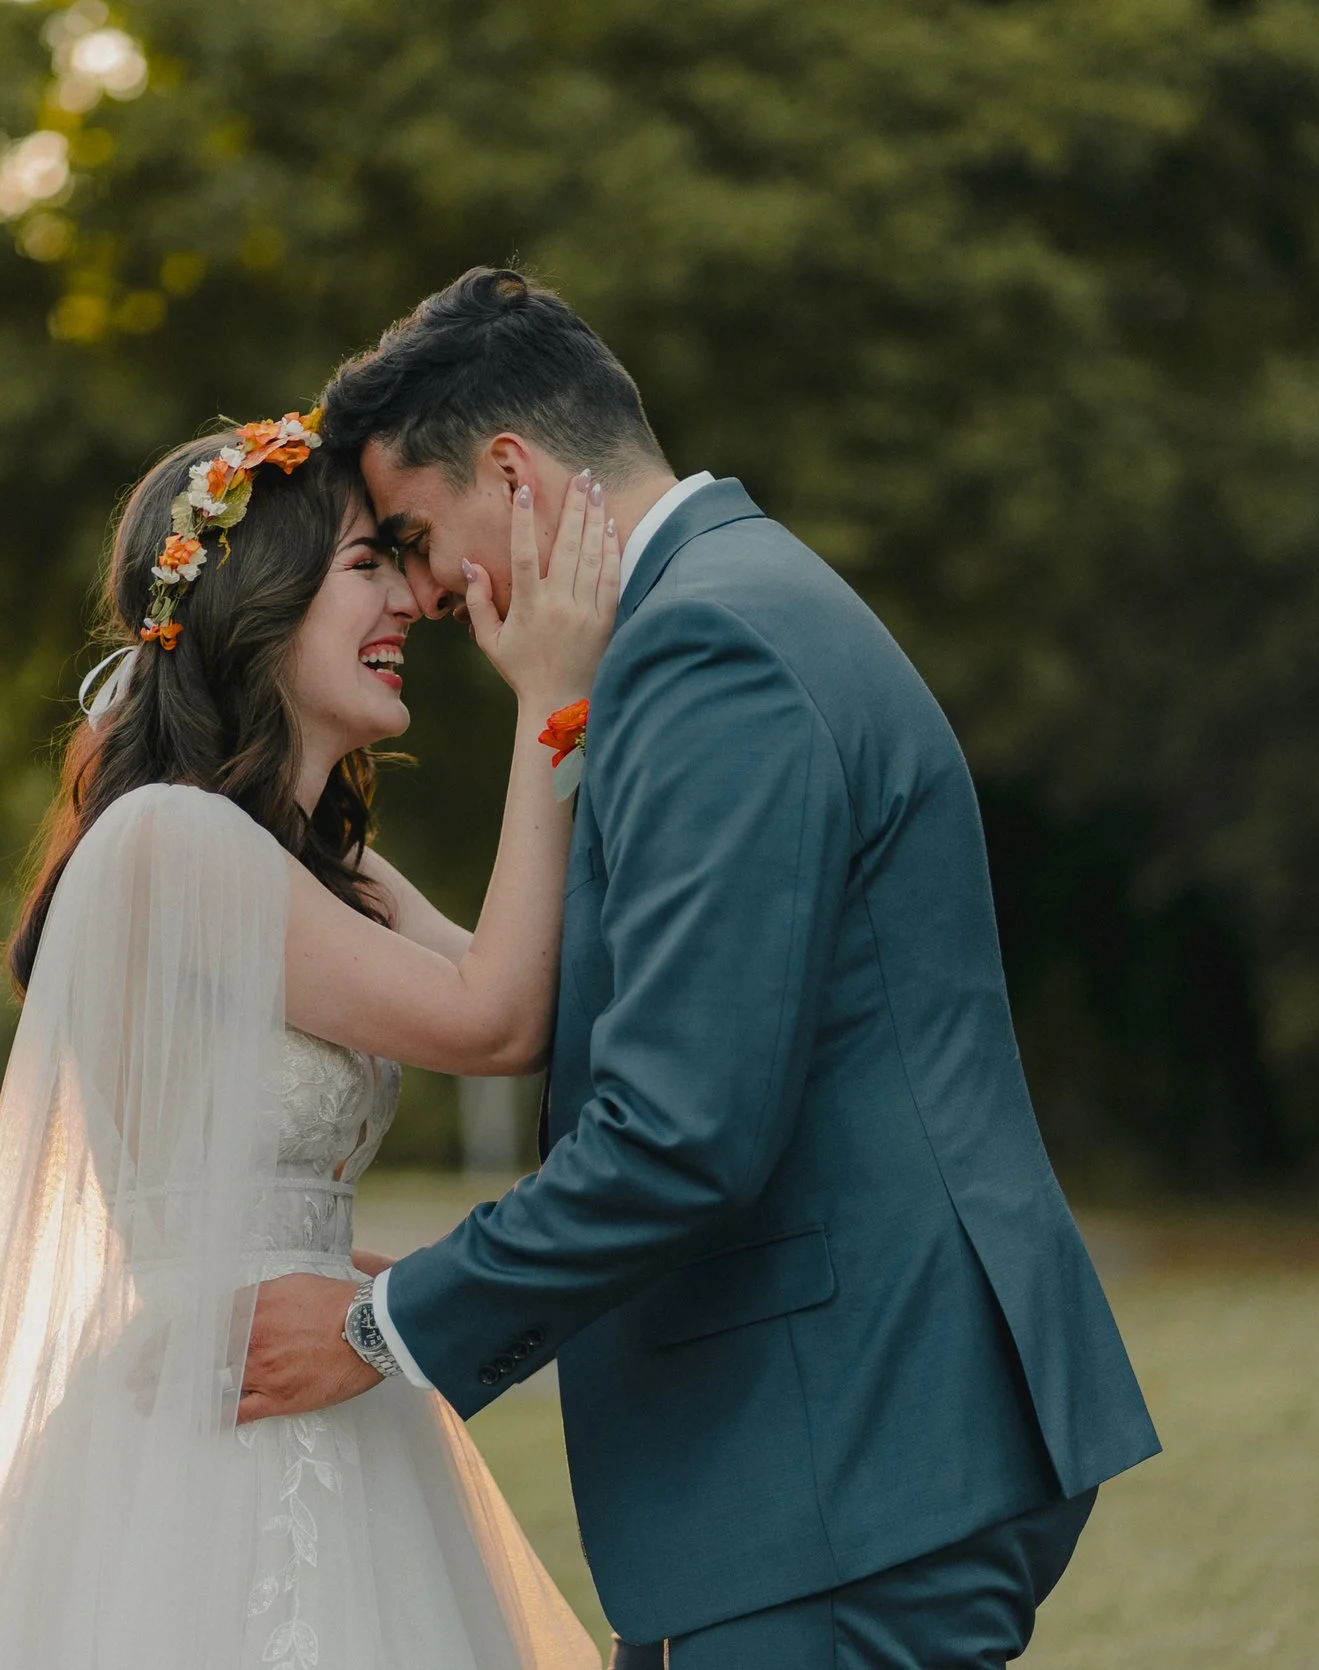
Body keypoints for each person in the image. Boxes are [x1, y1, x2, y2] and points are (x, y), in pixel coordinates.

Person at [238, 269, 1162, 1669]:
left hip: (841, 1455)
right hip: (845, 1452)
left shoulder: (705, 645)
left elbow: (682, 1129)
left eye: (417, 541)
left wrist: (381, 1326)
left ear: (513, 470)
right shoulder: (725, 608)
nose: (423, 595)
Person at [0, 407, 615, 1668]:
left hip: (324, 1385)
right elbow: (496, 1018)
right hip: (221, 1432)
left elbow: (526, 1001)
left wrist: (399, 1294)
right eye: (367, 565)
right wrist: (553, 699)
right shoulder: (175, 841)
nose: (409, 606)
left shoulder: (334, 873)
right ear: (258, 597)